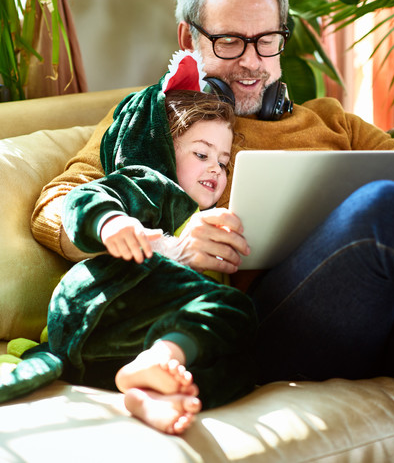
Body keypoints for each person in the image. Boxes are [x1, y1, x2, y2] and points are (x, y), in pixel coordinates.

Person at [31, 0, 394, 429]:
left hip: (380, 314)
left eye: (266, 41)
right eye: (230, 41)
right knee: (384, 207)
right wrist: (145, 236)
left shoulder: (332, 120)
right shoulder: (159, 120)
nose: (252, 62)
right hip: (258, 324)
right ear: (188, 38)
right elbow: (57, 201)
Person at [41, 55, 258, 435]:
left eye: (223, 162)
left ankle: (151, 393)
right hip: (103, 300)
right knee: (231, 309)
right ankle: (162, 358)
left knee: (239, 364)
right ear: (161, 148)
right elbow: (84, 199)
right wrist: (112, 221)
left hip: (116, 346)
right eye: (202, 154)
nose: (215, 169)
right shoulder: (152, 183)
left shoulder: (199, 214)